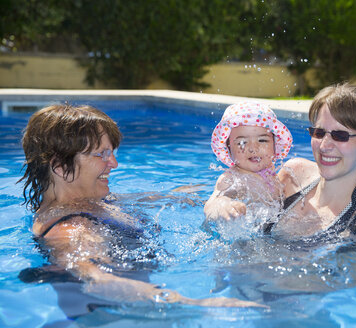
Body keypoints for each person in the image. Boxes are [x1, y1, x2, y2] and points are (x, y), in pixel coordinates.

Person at [18, 104, 264, 319]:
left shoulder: (87, 202)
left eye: (112, 152)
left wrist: (183, 194)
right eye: (102, 154)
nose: (113, 163)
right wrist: (194, 304)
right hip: (119, 316)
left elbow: (134, 200)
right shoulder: (73, 230)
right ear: (60, 167)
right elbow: (97, 282)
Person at [271, 83, 356, 243]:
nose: (324, 146)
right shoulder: (293, 175)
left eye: (340, 135)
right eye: (319, 132)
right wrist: (228, 201)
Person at [204, 102, 293, 230]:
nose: (253, 148)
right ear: (229, 149)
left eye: (262, 140)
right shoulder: (232, 178)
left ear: (274, 145)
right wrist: (221, 205)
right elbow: (213, 201)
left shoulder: (276, 173)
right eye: (242, 142)